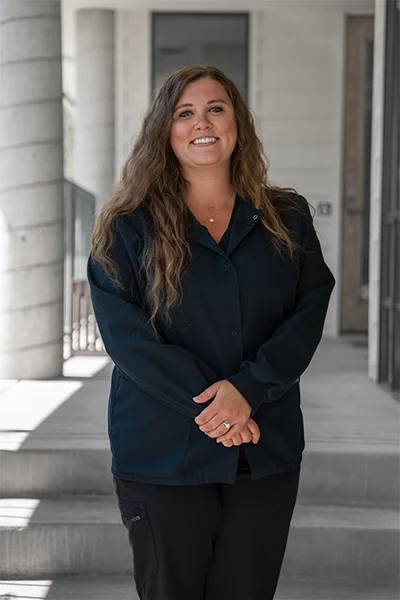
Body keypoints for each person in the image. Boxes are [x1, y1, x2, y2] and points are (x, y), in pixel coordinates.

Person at [87, 65, 335, 600]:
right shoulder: (127, 225)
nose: (203, 123)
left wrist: (249, 390)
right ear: (165, 130)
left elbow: (310, 310)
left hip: (262, 446)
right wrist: (219, 408)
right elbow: (127, 339)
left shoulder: (285, 216)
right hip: (162, 451)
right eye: (185, 113)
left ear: (237, 123)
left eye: (216, 108)